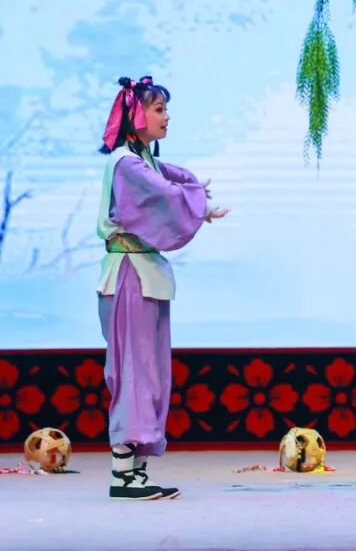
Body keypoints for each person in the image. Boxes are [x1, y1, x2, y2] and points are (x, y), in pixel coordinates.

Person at [96, 76, 229, 500]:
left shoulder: (143, 161)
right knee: (133, 371)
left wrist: (197, 199)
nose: (166, 117)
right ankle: (123, 475)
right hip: (129, 275)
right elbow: (164, 194)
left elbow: (174, 182)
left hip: (145, 274)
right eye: (158, 109)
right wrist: (200, 206)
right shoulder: (126, 163)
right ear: (137, 116)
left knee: (150, 373)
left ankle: (136, 470)